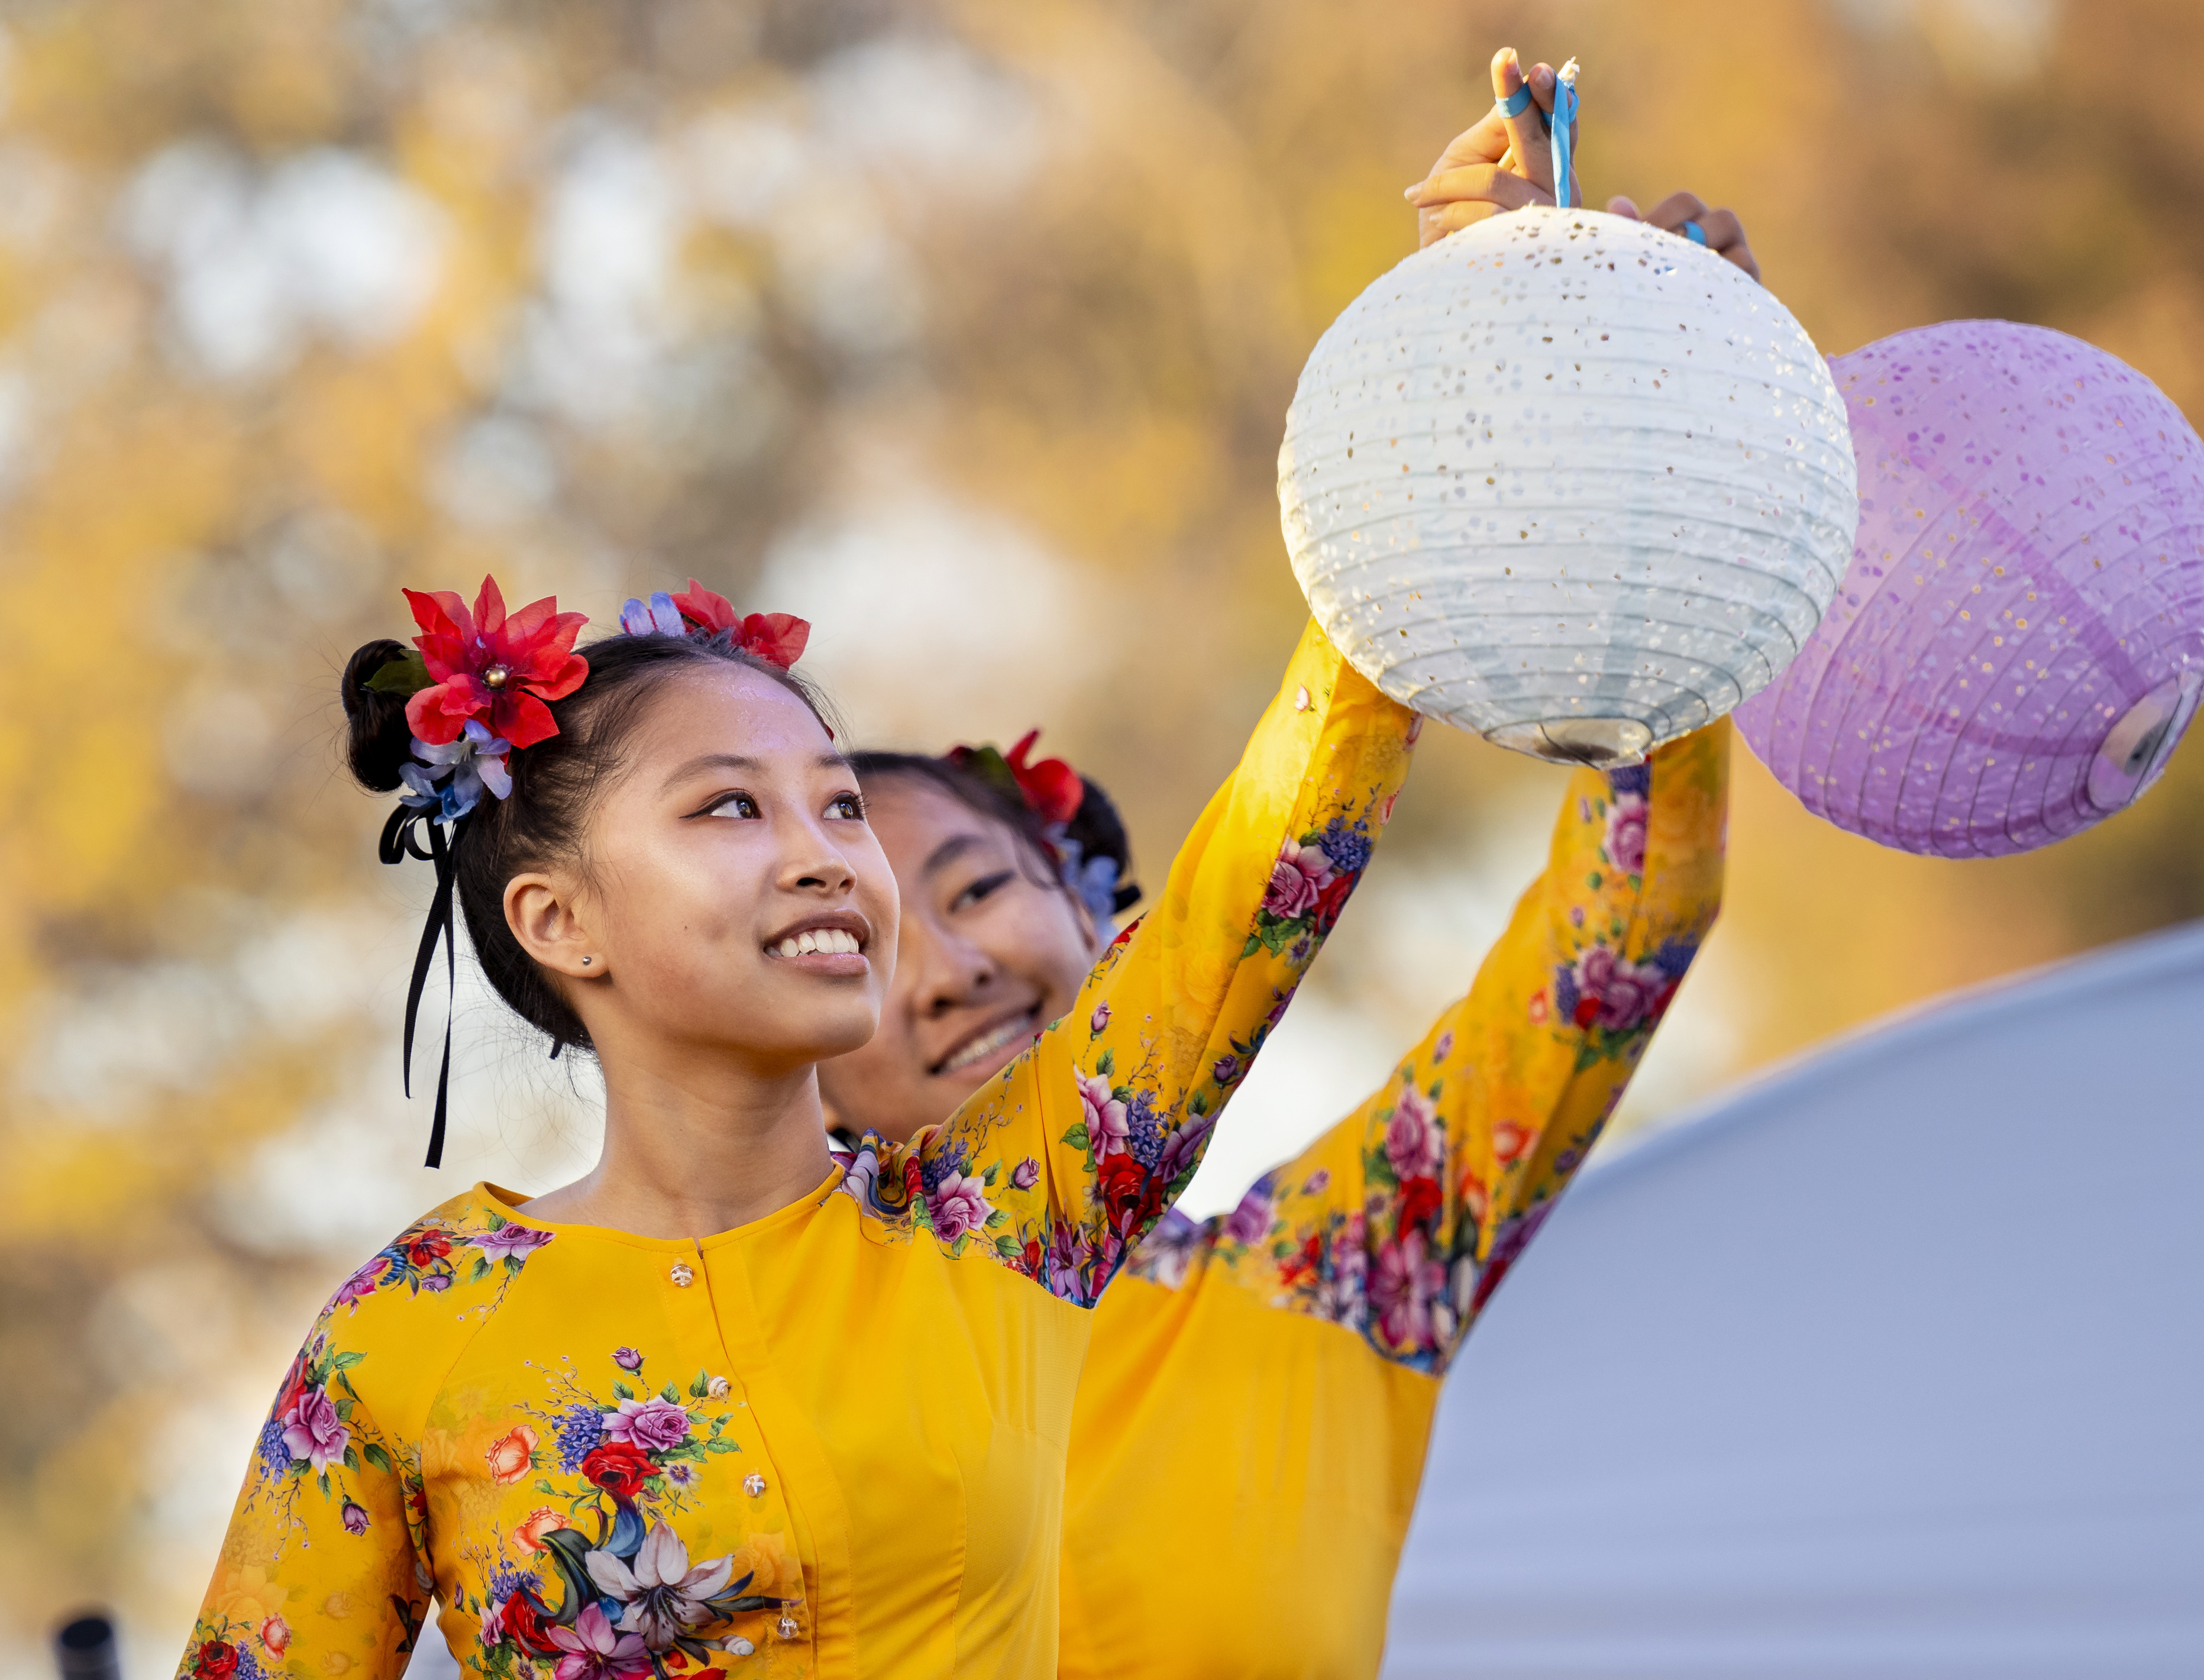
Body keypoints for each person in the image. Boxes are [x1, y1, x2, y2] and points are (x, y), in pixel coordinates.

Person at [817, 50, 1750, 1678]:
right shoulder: (752, 1350)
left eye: (972, 891)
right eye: (862, 949)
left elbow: (1635, 913)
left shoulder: (1343, 1268)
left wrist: (1636, 471)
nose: (946, 968)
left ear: (1104, 916)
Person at [178, 576, 1412, 1679]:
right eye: (728, 808)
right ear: (558, 919)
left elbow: (1246, 897)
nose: (826, 857)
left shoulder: (1003, 1216)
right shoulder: (405, 1332)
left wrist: (1382, 574)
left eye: (837, 807)